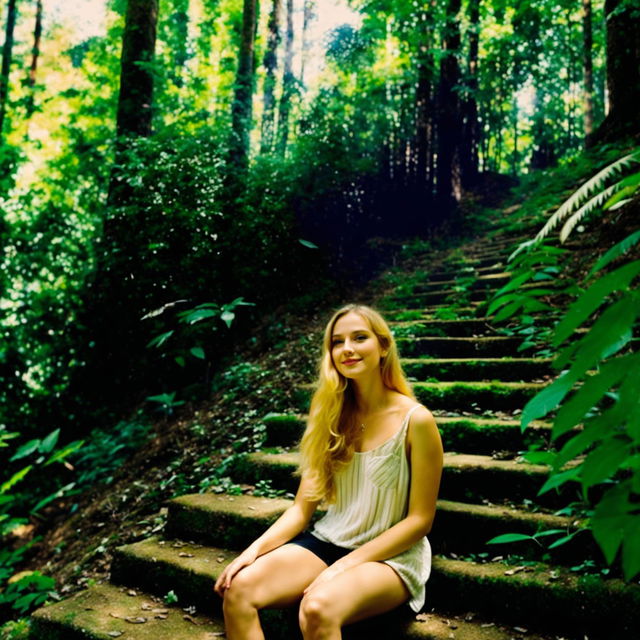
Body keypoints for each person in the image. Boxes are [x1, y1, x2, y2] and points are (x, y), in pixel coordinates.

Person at [214, 303, 444, 639]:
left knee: (317, 609)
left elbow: (420, 520)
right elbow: (300, 509)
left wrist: (344, 566)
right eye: (338, 342)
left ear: (383, 347)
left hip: (391, 557)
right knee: (240, 590)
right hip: (330, 539)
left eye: (359, 337)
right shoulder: (330, 416)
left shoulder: (416, 421)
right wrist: (254, 551)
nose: (347, 349)